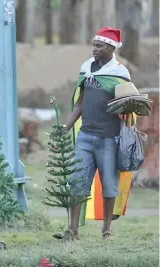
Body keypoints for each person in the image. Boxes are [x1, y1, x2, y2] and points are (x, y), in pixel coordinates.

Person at [64, 27, 132, 240]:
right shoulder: (86, 68)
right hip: (84, 137)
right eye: (93, 45)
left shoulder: (120, 73)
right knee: (76, 183)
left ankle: (107, 230)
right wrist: (65, 128)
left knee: (109, 185)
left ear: (111, 48)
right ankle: (72, 230)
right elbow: (80, 103)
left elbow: (129, 106)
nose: (94, 49)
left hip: (109, 139)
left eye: (99, 46)